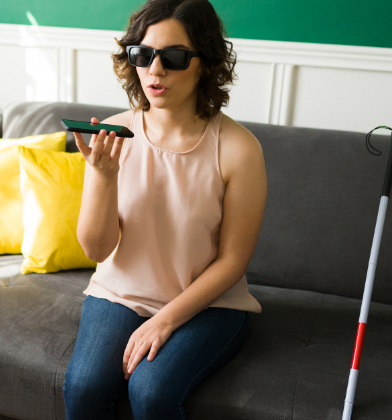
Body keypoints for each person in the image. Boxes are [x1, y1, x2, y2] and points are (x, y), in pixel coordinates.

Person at [63, 0, 267, 419]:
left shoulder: (239, 149)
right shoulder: (114, 136)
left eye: (173, 57)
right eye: (143, 55)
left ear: (205, 64)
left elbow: (233, 261)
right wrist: (102, 176)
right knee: (83, 389)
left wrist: (166, 320)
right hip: (120, 293)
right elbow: (96, 251)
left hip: (211, 305)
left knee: (152, 392)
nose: (155, 71)